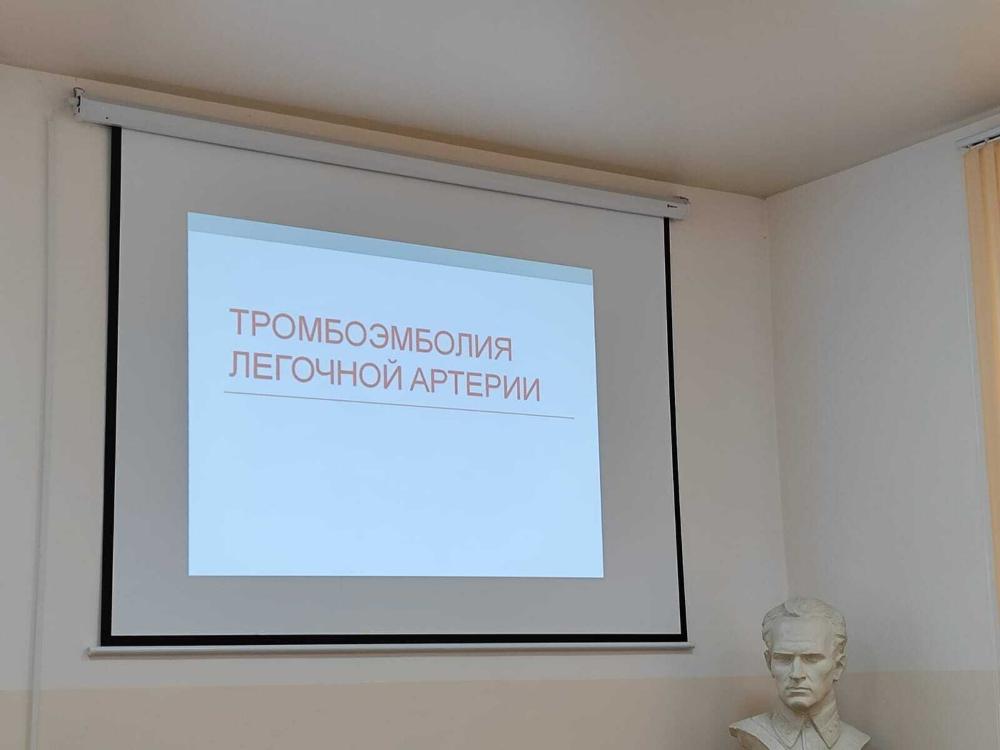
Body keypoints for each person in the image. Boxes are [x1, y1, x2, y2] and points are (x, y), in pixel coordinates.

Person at [729, 598, 870, 750]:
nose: (796, 674)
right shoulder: (751, 733)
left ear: (838, 667)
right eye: (784, 658)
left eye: (812, 659)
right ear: (769, 663)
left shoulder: (855, 741)